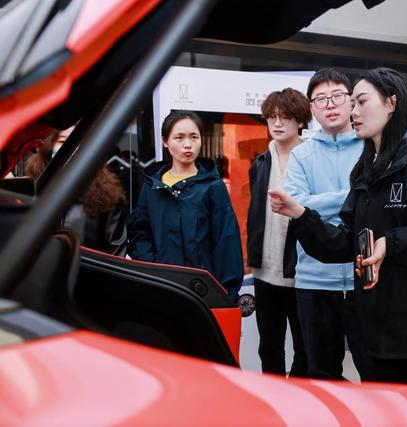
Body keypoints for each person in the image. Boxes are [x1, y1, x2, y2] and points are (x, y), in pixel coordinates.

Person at [270, 67, 407, 401]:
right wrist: (301, 215)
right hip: (380, 330)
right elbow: (346, 243)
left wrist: (391, 243)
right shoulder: (366, 170)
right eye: (352, 103)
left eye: (361, 101)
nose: (353, 111)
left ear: (391, 103)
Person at [283, 68, 372, 381]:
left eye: (337, 96)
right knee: (321, 375)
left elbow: (376, 200)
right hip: (314, 281)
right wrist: (353, 197)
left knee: (375, 373)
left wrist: (312, 205)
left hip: (366, 278)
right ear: (311, 108)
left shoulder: (371, 147)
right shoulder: (301, 155)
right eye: (321, 99)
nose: (330, 105)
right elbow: (294, 205)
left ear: (351, 101)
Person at [127, 111, 243, 301]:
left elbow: (227, 242)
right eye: (179, 137)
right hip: (162, 286)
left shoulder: (213, 186)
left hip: (202, 290)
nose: (188, 144)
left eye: (194, 137)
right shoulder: (152, 185)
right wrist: (154, 266)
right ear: (165, 141)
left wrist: (226, 294)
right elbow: (140, 232)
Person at [247, 88, 310, 377]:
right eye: (272, 117)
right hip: (264, 272)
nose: (277, 122)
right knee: (269, 347)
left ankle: (296, 398)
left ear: (301, 120)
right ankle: (274, 399)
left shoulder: (310, 158)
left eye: (285, 116)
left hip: (301, 272)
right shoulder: (260, 163)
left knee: (305, 347)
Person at [26, 126, 128, 256]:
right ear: (49, 146)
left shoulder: (107, 195)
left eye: (79, 143)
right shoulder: (32, 189)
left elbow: (116, 251)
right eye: (62, 141)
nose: (71, 149)